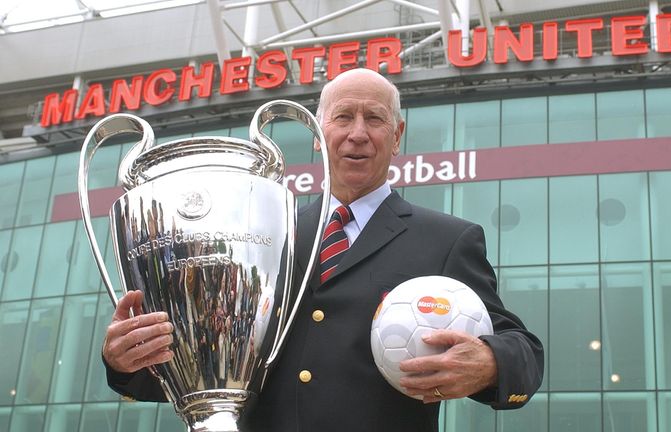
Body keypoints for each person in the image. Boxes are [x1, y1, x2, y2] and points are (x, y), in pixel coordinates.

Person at [102, 68, 544, 432]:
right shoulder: (266, 237)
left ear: (397, 136)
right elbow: (207, 367)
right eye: (343, 118)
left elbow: (523, 350)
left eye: (374, 119)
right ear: (317, 134)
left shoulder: (448, 239)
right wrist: (126, 363)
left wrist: (489, 362)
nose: (357, 134)